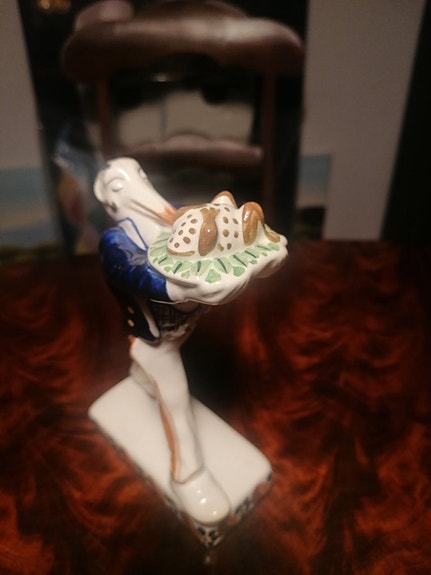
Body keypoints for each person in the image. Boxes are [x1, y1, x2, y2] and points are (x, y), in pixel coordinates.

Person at [94, 157, 287, 525]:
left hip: (186, 326)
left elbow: (209, 234)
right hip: (155, 342)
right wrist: (181, 287)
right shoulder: (114, 241)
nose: (137, 187)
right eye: (119, 185)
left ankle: (140, 380)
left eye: (139, 176)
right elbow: (135, 271)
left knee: (164, 374)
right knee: (176, 398)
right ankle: (188, 476)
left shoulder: (178, 218)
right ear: (108, 200)